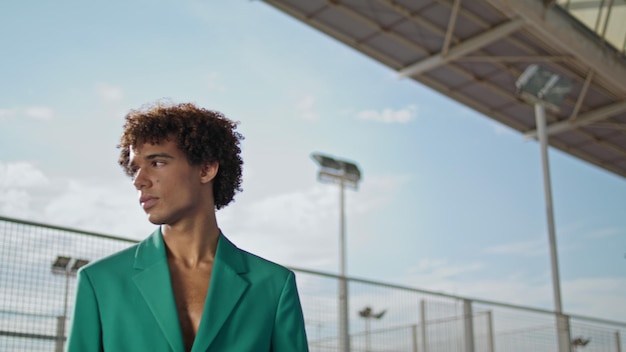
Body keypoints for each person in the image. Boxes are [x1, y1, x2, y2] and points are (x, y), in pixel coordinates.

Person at [66, 101, 309, 351]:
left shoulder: (273, 286)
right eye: (135, 168)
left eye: (157, 162)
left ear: (206, 169)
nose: (139, 181)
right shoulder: (100, 282)